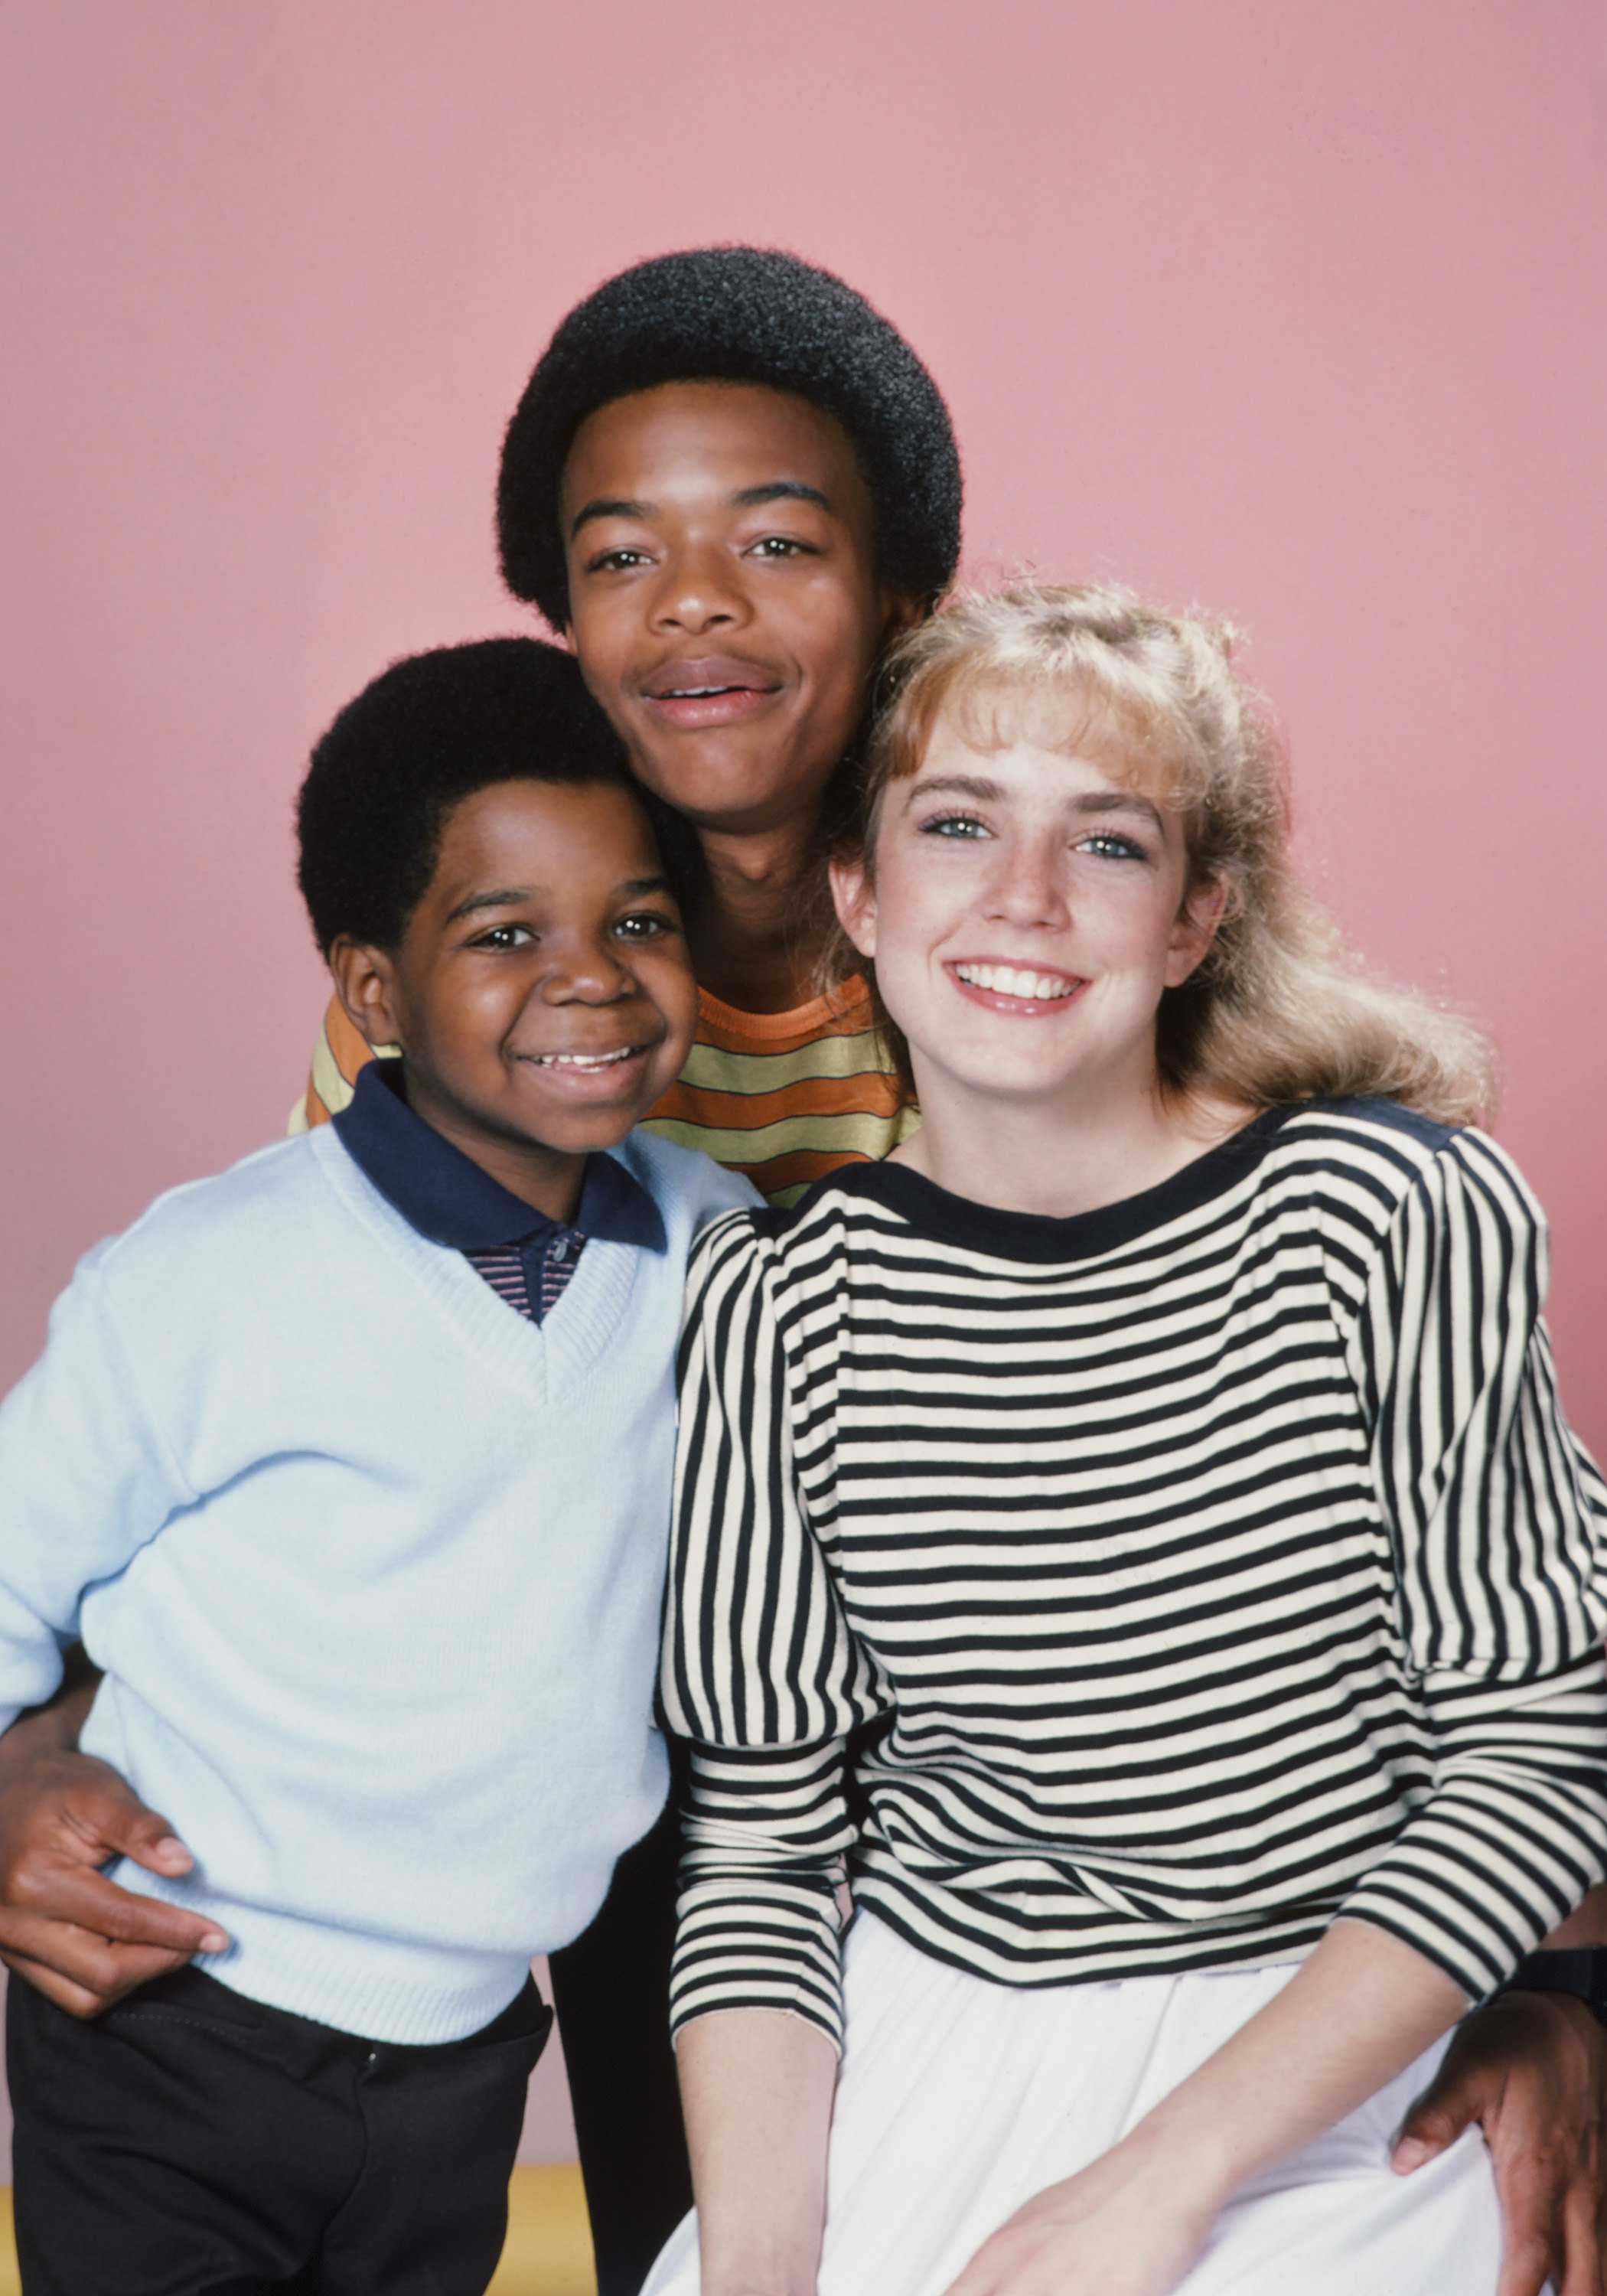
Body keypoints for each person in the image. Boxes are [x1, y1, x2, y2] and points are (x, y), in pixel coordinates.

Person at [0, 251, 1603, 2294]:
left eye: (772, 542)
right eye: (620, 556)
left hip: (1167, 1875)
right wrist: (22, 1754)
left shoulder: (1189, 1076)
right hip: (641, 1797)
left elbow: (1482, 1677)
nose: (692, 604)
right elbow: (292, 1455)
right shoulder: (479, 1000)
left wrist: (1543, 1992)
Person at [645, 584, 1607, 2296]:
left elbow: (1541, 1752)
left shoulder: (1385, 1217)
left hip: (1332, 2044)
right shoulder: (776, 1307)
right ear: (858, 893)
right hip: (929, 2033)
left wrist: (1156, 2185)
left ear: (1193, 919)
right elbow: (766, 1851)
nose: (1024, 898)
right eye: (958, 825)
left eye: (1108, 844)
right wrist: (754, 2270)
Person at [0, 638, 752, 2295]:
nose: (595, 979)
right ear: (374, 992)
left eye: (639, 920)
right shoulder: (205, 1274)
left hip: (471, 2056)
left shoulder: (720, 1249)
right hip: (166, 2018)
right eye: (506, 936)